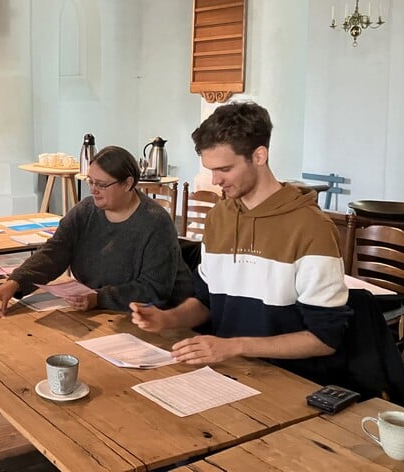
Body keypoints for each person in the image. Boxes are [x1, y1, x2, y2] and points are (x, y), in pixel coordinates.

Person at [130, 102, 351, 386]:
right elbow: (206, 302)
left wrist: (235, 346)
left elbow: (325, 338)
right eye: (211, 169)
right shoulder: (219, 218)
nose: (215, 180)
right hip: (227, 374)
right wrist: (167, 319)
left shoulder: (312, 228)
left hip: (289, 383)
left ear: (259, 156)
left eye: (225, 169)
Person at [0, 145, 193, 317]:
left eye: (101, 184)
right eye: (90, 181)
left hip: (156, 320)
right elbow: (54, 252)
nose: (93, 190)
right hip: (100, 313)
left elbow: (154, 289)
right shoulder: (85, 211)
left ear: (128, 184)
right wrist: (15, 282)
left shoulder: (155, 223)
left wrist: (99, 298)